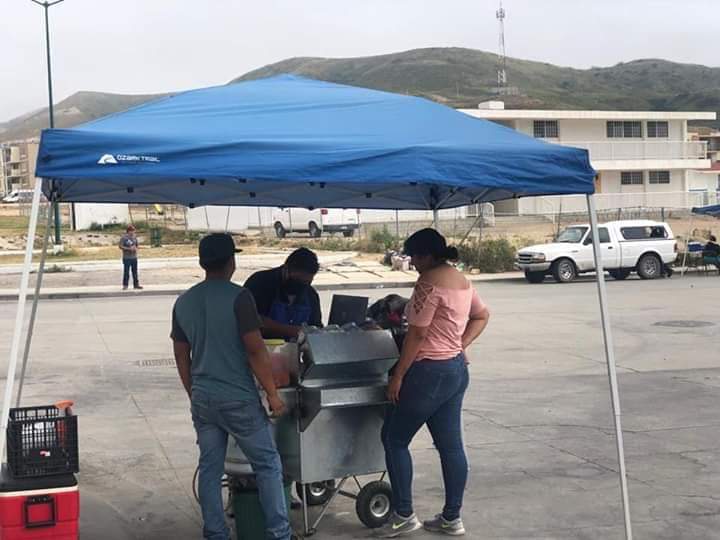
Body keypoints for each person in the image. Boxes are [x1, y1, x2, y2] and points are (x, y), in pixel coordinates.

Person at [171, 233, 293, 540]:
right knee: (267, 463)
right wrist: (273, 394)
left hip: (203, 397)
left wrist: (193, 392)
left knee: (211, 469)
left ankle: (215, 533)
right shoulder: (239, 297)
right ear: (231, 262)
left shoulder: (183, 301)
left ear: (202, 263)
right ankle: (279, 533)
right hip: (237, 398)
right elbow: (255, 350)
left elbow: (181, 356)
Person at [375, 228, 490, 538]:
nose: (411, 262)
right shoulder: (461, 280)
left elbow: (418, 333)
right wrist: (460, 345)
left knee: (394, 439)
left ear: (426, 254)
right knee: (451, 447)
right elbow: (482, 315)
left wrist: (398, 375)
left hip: (428, 372)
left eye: (413, 256)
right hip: (454, 370)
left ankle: (403, 514)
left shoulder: (429, 282)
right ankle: (452, 517)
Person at [244, 248, 322, 339]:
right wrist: (293, 331)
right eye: (297, 280)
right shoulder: (259, 283)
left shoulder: (311, 294)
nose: (300, 285)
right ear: (286, 268)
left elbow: (316, 329)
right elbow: (251, 321)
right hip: (263, 348)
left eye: (306, 282)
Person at [119, 224, 143, 290]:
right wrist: (128, 248)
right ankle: (125, 285)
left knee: (135, 272)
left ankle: (136, 284)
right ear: (128, 231)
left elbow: (137, 245)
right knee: (126, 272)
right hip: (127, 258)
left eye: (133, 231)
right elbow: (120, 246)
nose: (133, 232)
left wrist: (136, 248)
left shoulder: (135, 237)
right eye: (131, 231)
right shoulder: (124, 238)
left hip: (134, 257)